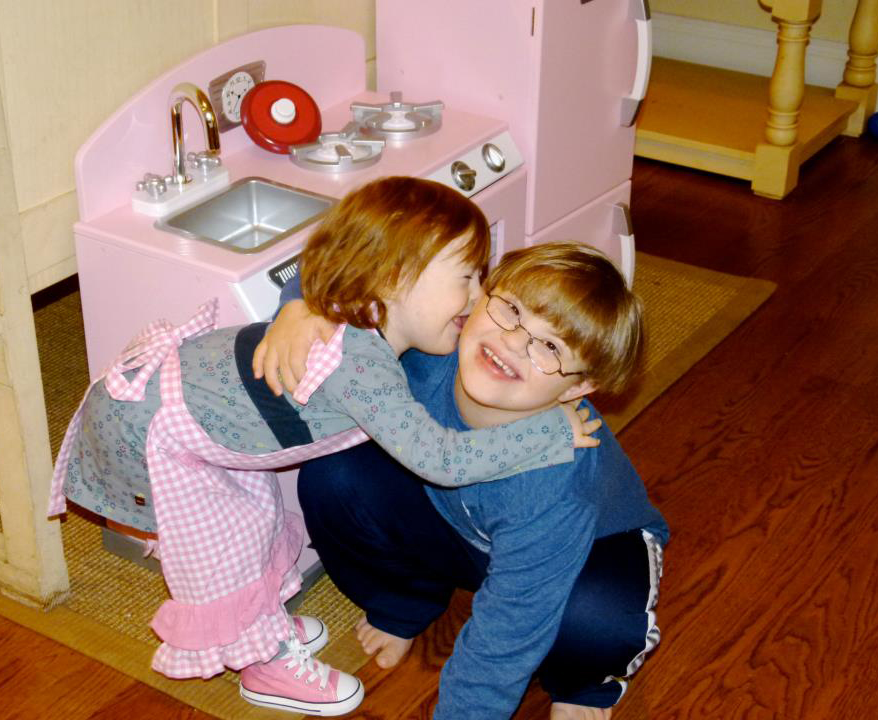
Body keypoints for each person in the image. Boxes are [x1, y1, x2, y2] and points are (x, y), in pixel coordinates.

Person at [47, 178, 599, 717]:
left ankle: (262, 622)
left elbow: (325, 260)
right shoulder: (361, 365)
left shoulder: (355, 318)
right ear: (395, 277)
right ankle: (264, 666)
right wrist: (547, 432)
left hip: (187, 416)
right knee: (223, 555)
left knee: (255, 518)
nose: (478, 296)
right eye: (466, 277)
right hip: (157, 435)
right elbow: (442, 459)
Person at [260, 242, 669, 719]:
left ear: (578, 388)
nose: (514, 342)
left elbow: (509, 629)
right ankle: (406, 603)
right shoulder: (424, 346)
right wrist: (298, 306)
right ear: (478, 296)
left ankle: (584, 687)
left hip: (589, 549)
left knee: (597, 623)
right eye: (511, 310)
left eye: (551, 348)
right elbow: (348, 258)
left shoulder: (555, 484)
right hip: (462, 520)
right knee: (334, 476)